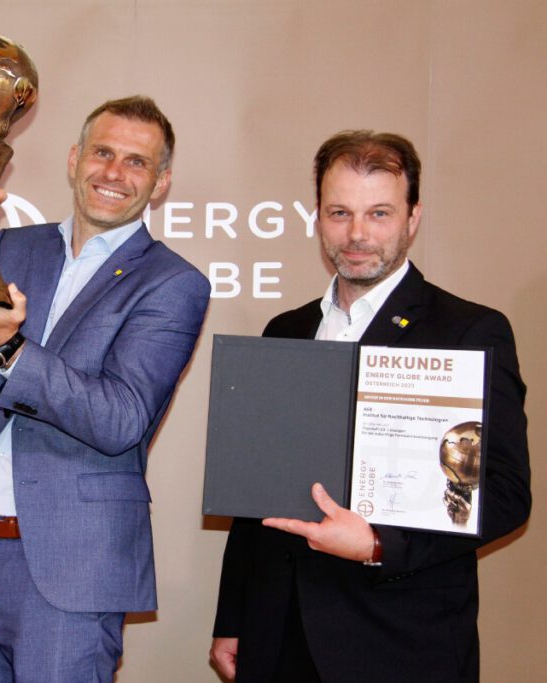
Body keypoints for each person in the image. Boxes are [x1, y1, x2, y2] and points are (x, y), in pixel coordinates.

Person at [0, 95, 210, 681]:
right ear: (74, 159)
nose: (114, 172)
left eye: (137, 162)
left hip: (70, 566)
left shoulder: (172, 283)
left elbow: (120, 419)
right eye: (102, 152)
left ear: (161, 182)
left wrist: (10, 348)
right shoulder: (13, 248)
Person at [210, 130, 531, 682]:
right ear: (318, 217)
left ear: (413, 218)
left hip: (397, 641)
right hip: (278, 635)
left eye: (379, 213)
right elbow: (255, 491)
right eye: (340, 213)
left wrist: (379, 545)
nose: (357, 234)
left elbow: (503, 493)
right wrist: (234, 617)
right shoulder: (286, 330)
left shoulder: (469, 331)